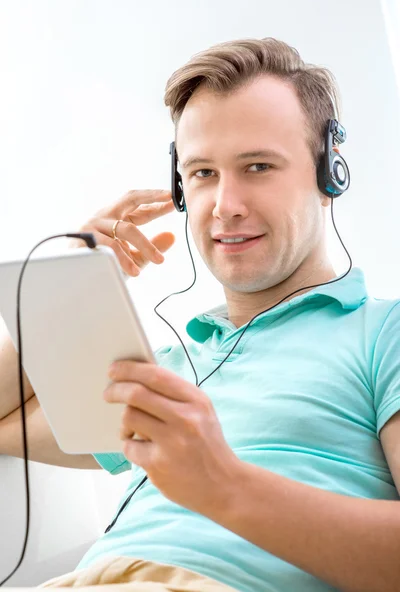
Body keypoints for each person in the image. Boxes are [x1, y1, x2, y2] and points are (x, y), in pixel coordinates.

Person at [1, 36, 400, 592]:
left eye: (258, 166)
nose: (224, 205)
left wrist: (222, 484)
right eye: (203, 173)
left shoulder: (387, 335)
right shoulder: (172, 368)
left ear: (329, 175)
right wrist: (67, 286)